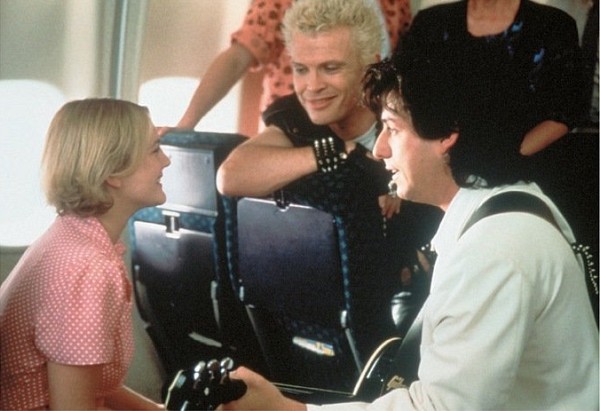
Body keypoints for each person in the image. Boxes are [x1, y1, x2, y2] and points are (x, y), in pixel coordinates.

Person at [217, 29, 599, 411]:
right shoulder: (511, 205)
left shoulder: (494, 250)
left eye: (393, 128)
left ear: (447, 134)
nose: (380, 148)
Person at [217, 0, 441, 367]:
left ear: (370, 64)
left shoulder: (410, 116)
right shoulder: (297, 118)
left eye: (331, 68)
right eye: (301, 69)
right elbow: (231, 176)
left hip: (411, 295)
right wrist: (338, 154)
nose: (312, 87)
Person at [0, 99, 170, 410]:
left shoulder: (71, 235)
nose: (166, 161)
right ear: (113, 173)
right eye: (155, 150)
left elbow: (96, 388)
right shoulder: (87, 269)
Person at [162, 0, 412, 135]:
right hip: (292, 130)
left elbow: (401, 68)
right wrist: (188, 121)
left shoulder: (393, 3)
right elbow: (238, 57)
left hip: (371, 130)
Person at [402, 0, 585, 157]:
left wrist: (505, 157)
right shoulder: (429, 24)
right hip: (439, 164)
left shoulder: (554, 25)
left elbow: (565, 112)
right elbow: (408, 100)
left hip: (523, 170)